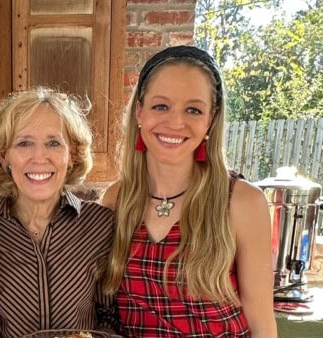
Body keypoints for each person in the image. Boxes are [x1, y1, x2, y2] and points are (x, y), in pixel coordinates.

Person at [101, 45, 277, 337]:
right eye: (161, 106)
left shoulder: (240, 201)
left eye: (193, 109)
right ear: (139, 111)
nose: (175, 122)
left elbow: (261, 324)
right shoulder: (115, 199)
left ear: (210, 120)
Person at [0, 87, 118, 338]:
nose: (39, 157)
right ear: (4, 157)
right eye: (24, 143)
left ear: (72, 155)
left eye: (53, 143)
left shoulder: (100, 225)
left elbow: (111, 311)